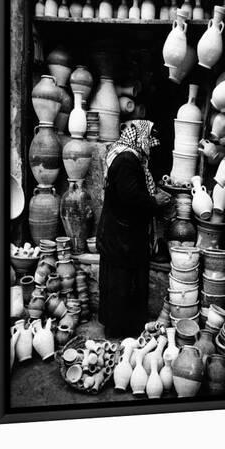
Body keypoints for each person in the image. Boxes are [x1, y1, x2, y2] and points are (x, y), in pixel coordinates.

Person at [96, 120, 170, 338]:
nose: (150, 146)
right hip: (121, 235)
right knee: (121, 282)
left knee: (120, 280)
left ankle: (120, 325)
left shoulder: (128, 156)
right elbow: (130, 197)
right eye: (148, 140)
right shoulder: (128, 160)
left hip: (121, 231)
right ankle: (121, 329)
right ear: (140, 139)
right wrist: (155, 201)